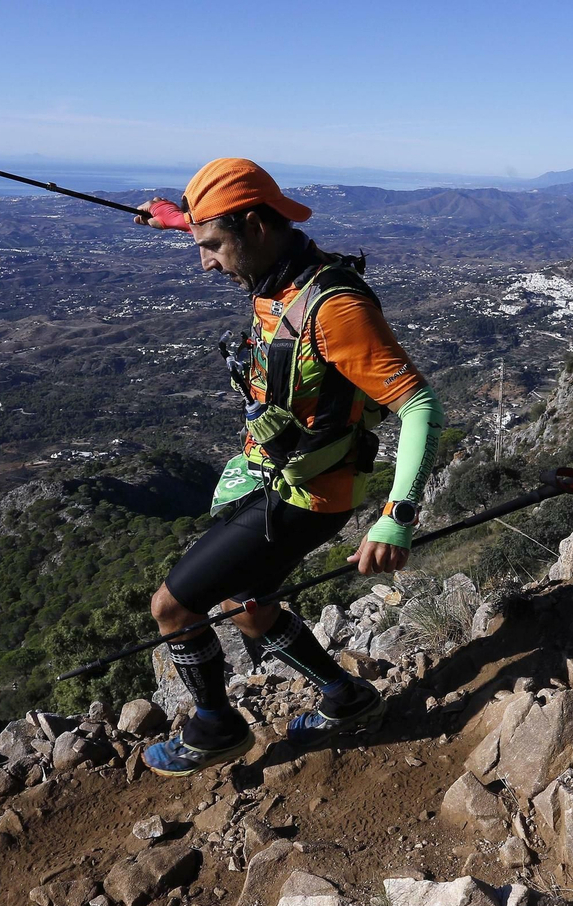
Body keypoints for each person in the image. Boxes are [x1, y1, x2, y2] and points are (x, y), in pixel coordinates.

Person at [132, 158, 446, 777]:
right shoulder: (279, 266)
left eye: (213, 245)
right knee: (249, 607)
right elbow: (222, 234)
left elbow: (420, 405)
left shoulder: (333, 308)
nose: (205, 262)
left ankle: (215, 727)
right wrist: (179, 219)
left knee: (172, 609)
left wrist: (396, 518)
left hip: (307, 497)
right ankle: (345, 696)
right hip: (281, 479)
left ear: (254, 225)